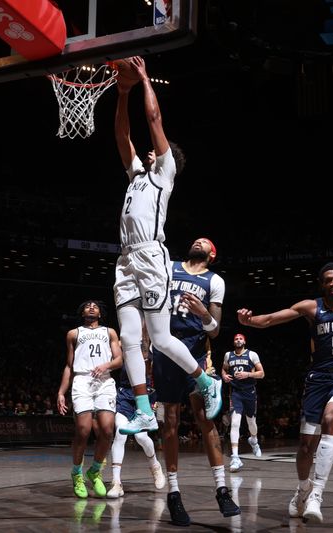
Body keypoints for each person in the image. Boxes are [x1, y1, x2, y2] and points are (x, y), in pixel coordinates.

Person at [112, 56, 222, 436]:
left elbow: (154, 121)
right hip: (125, 258)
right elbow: (121, 137)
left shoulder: (164, 174)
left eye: (156, 151)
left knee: (160, 337)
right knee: (129, 337)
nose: (147, 151)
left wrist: (143, 79)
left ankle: (207, 382)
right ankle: (144, 409)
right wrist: (122, 94)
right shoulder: (137, 175)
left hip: (149, 255)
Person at [237, 262, 333, 524]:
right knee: (304, 449)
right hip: (317, 380)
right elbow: (270, 319)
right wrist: (249, 321)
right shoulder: (311, 308)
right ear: (322, 284)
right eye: (328, 280)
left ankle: (317, 494)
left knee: (330, 419)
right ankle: (303, 489)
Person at [152, 237, 240, 525]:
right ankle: (174, 494)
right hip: (165, 352)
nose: (198, 242)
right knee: (170, 422)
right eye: (196, 240)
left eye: (205, 242)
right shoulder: (169, 266)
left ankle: (222, 488)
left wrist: (203, 314)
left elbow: (214, 331)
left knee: (206, 420)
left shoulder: (214, 281)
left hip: (196, 352)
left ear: (211, 254)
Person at [57, 300, 123, 498]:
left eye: (95, 306)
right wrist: (61, 392)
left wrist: (106, 366)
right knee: (83, 430)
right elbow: (69, 366)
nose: (91, 307)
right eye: (87, 305)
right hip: (82, 380)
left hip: (104, 380)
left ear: (100, 314)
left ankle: (94, 470)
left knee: (107, 429)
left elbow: (119, 359)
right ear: (83, 313)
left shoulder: (109, 332)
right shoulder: (73, 334)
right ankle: (77, 473)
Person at [106, 350, 166, 498]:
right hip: (125, 395)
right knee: (120, 433)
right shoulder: (125, 345)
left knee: (141, 437)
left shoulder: (152, 348)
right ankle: (116, 482)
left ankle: (155, 466)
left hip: (145, 396)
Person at [222, 333, 265, 472]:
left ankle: (254, 440)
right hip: (235, 393)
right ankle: (235, 457)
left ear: (244, 341)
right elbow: (224, 368)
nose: (238, 340)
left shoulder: (252, 355)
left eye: (240, 338)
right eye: (236, 338)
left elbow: (262, 373)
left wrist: (248, 374)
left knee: (251, 422)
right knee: (235, 422)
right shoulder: (228, 355)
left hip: (249, 392)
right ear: (233, 342)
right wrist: (224, 375)